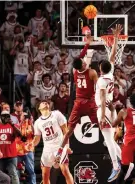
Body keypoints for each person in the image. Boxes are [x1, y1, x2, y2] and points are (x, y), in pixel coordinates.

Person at [54, 31, 98, 164]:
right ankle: (110, 143)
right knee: (101, 123)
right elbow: (99, 88)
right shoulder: (92, 72)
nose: (85, 62)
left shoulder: (74, 71)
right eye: (84, 62)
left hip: (78, 103)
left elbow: (80, 58)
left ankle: (60, 150)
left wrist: (87, 44)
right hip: (89, 102)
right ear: (83, 65)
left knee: (69, 130)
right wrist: (88, 44)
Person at [94, 24, 123, 182]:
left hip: (104, 109)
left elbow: (104, 99)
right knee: (108, 139)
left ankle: (116, 165)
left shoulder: (101, 80)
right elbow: (112, 57)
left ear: (100, 69)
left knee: (109, 140)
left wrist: (102, 116)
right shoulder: (110, 75)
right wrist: (116, 38)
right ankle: (125, 161)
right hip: (111, 109)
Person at [32, 101, 73, 184]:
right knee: (45, 174)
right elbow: (37, 139)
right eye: (43, 103)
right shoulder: (37, 122)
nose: (45, 103)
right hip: (47, 149)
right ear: (39, 108)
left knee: (65, 170)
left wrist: (67, 146)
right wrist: (31, 144)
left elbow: (66, 131)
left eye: (46, 102)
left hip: (60, 146)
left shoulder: (56, 114)